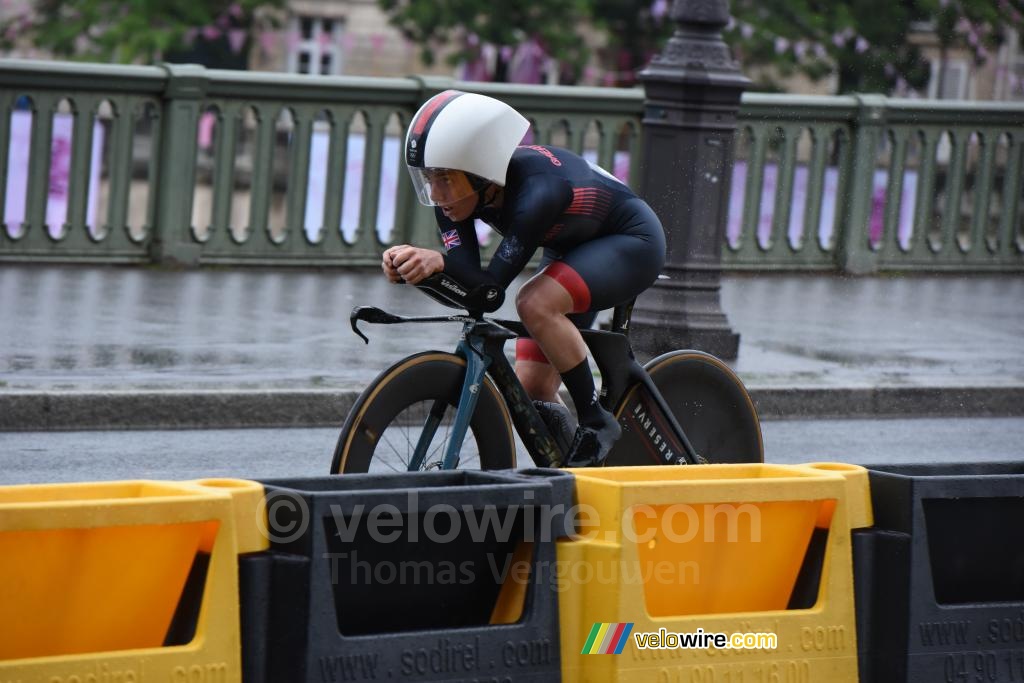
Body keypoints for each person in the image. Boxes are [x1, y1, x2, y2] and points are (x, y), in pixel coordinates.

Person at [382, 90, 666, 467]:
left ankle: (597, 420)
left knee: (535, 302)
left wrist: (439, 263)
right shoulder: (457, 199)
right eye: (429, 179)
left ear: (482, 173)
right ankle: (577, 473)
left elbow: (493, 290)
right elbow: (473, 293)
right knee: (533, 388)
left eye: (445, 179)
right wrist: (422, 272)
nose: (436, 194)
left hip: (632, 241)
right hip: (573, 246)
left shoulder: (538, 192)